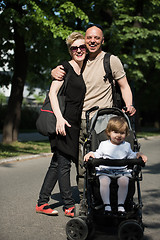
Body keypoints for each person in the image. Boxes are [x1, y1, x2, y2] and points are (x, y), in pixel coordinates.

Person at [51, 24, 136, 197]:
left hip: (104, 121)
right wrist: (53, 71)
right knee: (83, 164)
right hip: (80, 120)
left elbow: (124, 86)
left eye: (97, 38)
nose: (92, 41)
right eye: (89, 37)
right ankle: (85, 200)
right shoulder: (79, 61)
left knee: (106, 163)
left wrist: (130, 105)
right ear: (85, 39)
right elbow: (63, 74)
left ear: (102, 40)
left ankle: (111, 198)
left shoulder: (111, 60)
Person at [36, 32, 86, 217]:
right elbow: (52, 93)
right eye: (75, 48)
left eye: (82, 47)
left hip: (73, 123)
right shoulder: (65, 67)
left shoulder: (84, 68)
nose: (79, 50)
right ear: (70, 50)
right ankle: (68, 204)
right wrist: (59, 118)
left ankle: (42, 202)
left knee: (57, 163)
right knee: (64, 164)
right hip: (62, 122)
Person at [84, 116, 147, 215]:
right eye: (115, 132)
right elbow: (98, 153)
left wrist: (139, 154)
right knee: (104, 180)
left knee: (124, 181)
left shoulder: (126, 145)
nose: (119, 135)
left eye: (122, 133)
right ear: (109, 132)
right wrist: (91, 154)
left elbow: (131, 155)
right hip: (105, 170)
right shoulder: (104, 144)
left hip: (121, 171)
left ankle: (120, 205)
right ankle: (107, 205)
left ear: (126, 134)